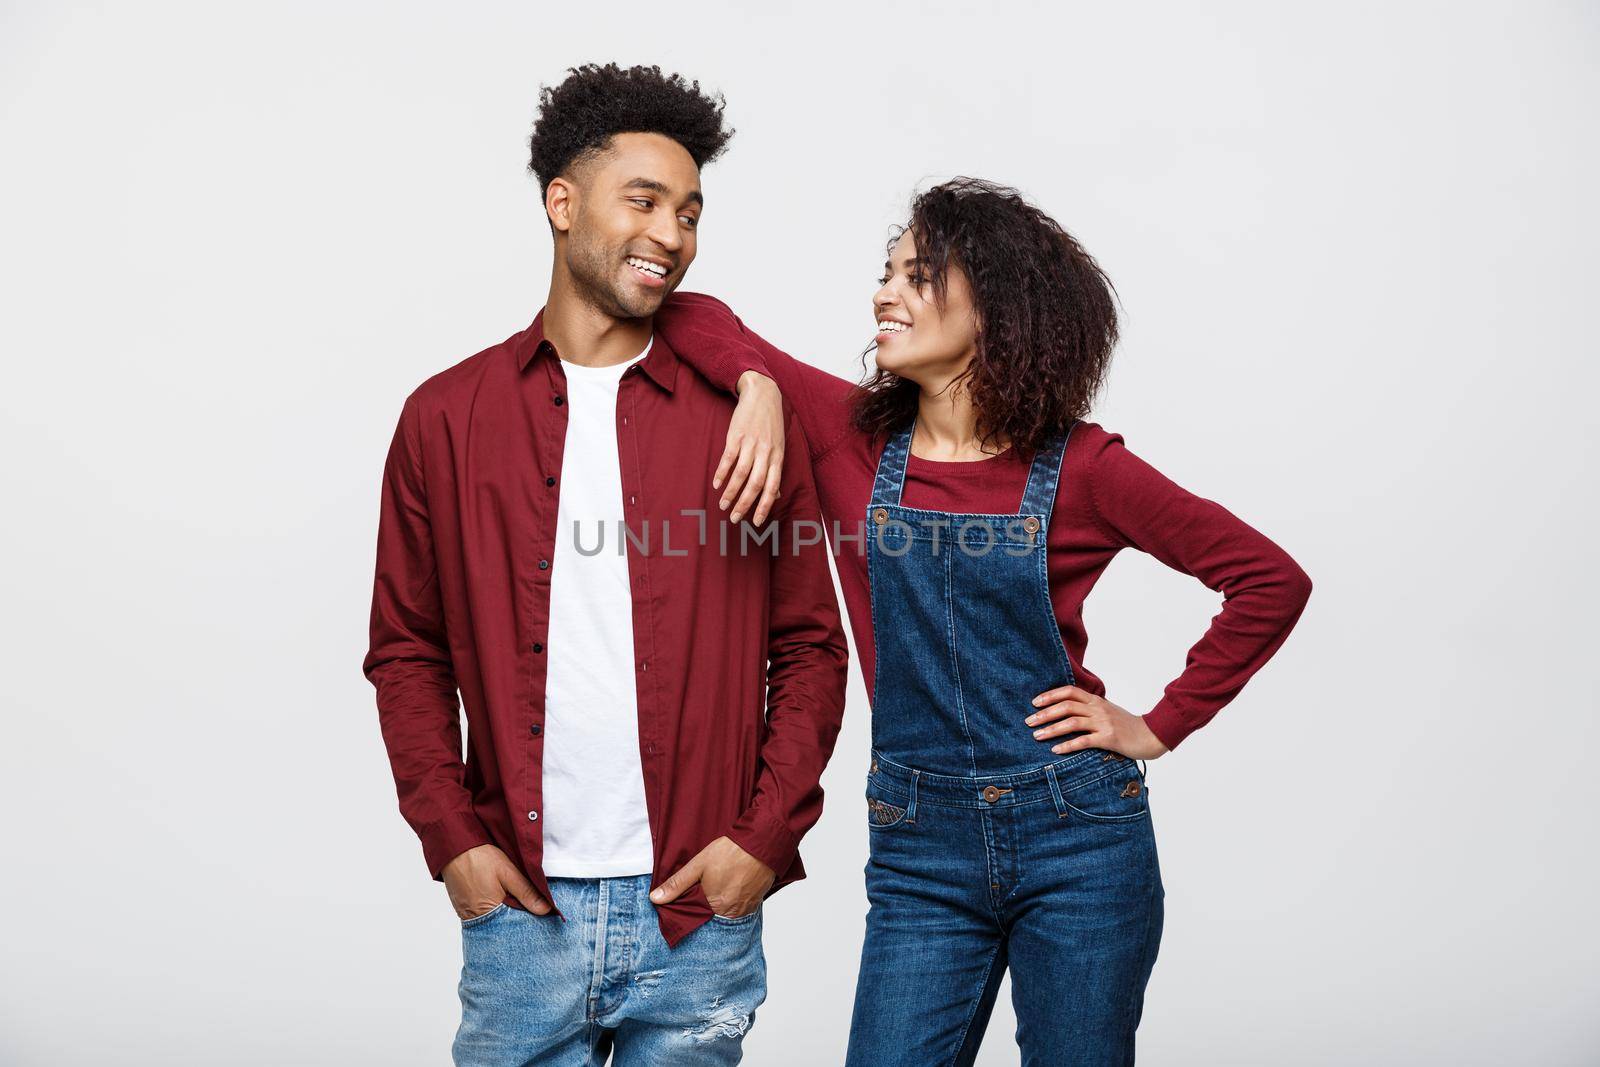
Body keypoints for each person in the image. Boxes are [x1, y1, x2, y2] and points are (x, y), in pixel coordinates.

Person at [654, 177, 1313, 1065]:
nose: (883, 293)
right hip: (921, 848)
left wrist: (1159, 723)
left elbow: (1269, 579)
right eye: (886, 272)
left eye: (917, 275)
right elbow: (690, 312)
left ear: (996, 308)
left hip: (1077, 838)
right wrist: (758, 384)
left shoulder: (1085, 469)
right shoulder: (854, 439)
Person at [361, 63, 849, 1066]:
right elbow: (406, 649)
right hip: (522, 916)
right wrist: (452, 838)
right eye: (644, 200)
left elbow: (808, 645)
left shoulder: (746, 421)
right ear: (561, 202)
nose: (672, 232)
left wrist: (763, 835)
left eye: (690, 210)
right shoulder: (444, 419)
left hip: (696, 915)